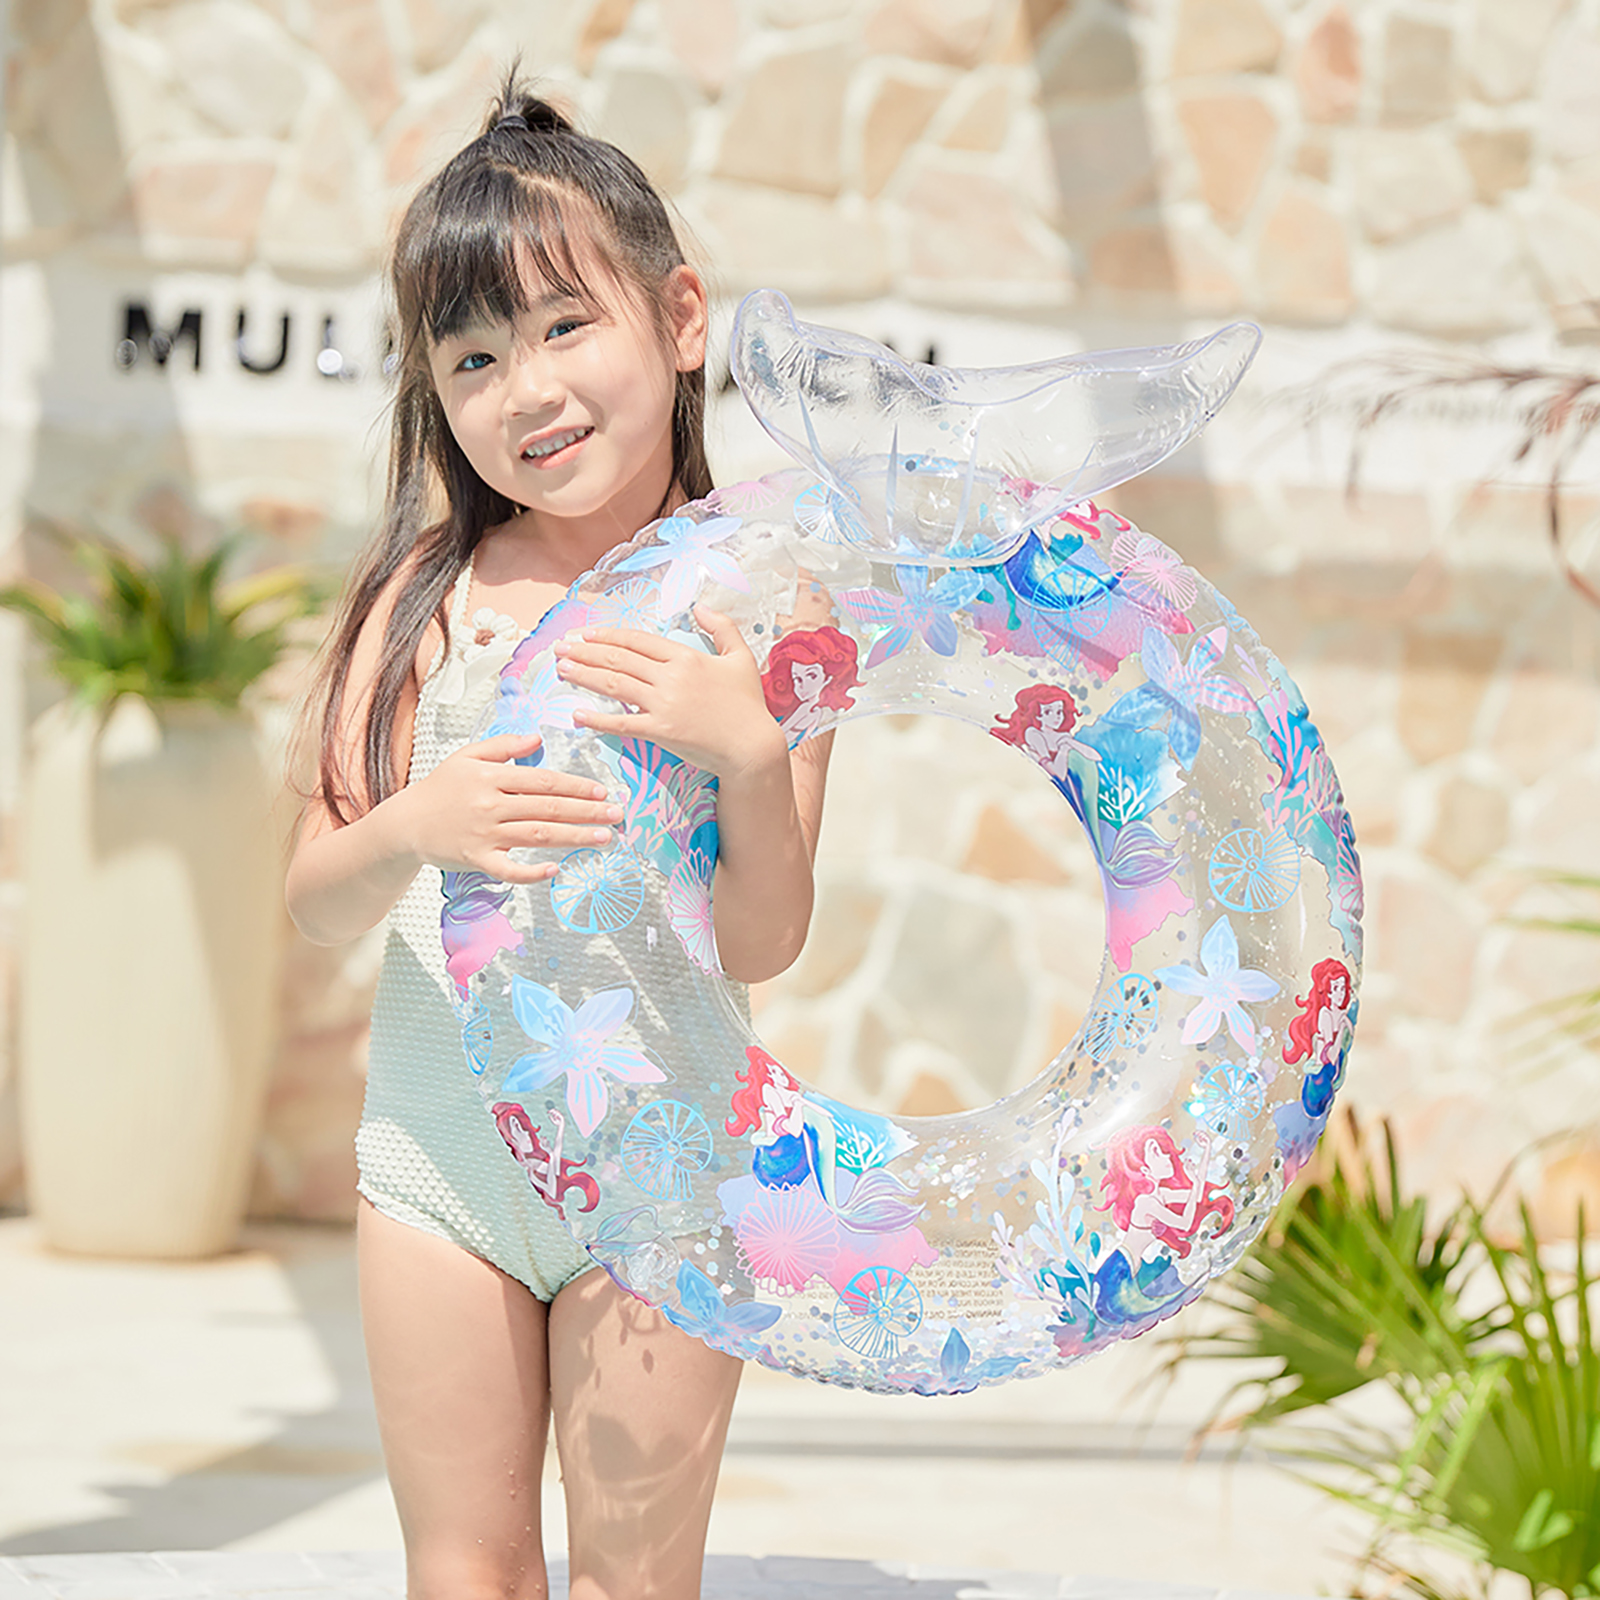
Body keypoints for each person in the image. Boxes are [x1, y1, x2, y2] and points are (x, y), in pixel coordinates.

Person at [285, 79, 833, 1600]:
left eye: (564, 327)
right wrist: (417, 824)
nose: (525, 389)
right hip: (440, 1174)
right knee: (465, 1572)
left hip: (661, 1171)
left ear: (680, 319)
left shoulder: (765, 610)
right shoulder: (427, 598)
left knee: (632, 1584)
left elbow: (762, 940)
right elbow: (318, 899)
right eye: (473, 357)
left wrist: (747, 751)